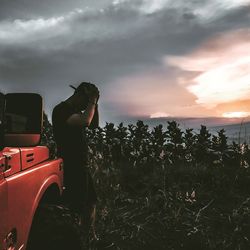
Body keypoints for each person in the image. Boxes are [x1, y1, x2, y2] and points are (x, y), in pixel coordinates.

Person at [52, 82, 100, 243]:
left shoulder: (76, 110)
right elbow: (86, 121)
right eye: (85, 102)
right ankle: (75, 239)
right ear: (79, 95)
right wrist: (92, 101)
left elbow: (93, 125)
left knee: (91, 201)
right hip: (71, 164)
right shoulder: (61, 110)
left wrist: (95, 103)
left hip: (81, 163)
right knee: (77, 205)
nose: (86, 106)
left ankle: (88, 235)